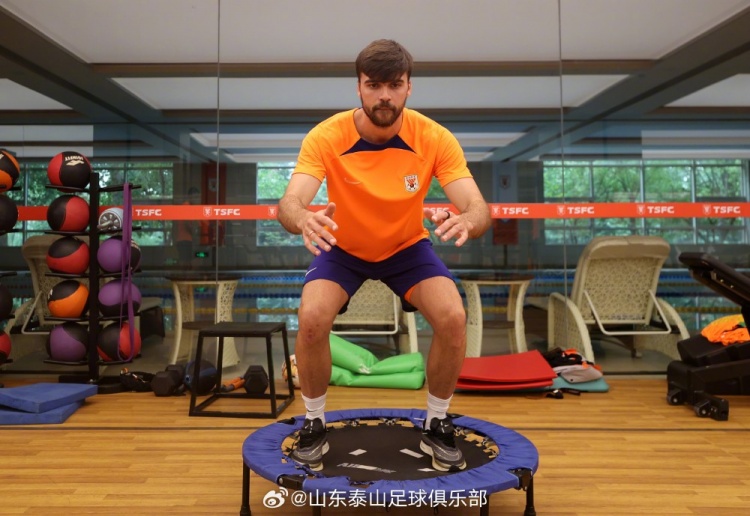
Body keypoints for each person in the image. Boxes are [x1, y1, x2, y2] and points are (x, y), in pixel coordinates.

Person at [277, 39, 491, 472]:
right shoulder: (327, 136)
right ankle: (314, 422)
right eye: (374, 85)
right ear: (359, 87)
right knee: (312, 318)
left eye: (394, 85)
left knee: (453, 317)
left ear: (409, 87)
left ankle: (436, 421)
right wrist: (303, 219)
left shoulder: (433, 137)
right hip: (344, 248)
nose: (384, 96)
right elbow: (289, 203)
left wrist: (469, 221)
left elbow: (478, 206)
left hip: (406, 247)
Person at [174, 187, 200, 267]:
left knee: (186, 262)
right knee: (186, 263)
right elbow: (187, 223)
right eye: (195, 197)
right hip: (185, 240)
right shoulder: (187, 206)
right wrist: (194, 233)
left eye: (197, 197)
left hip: (184, 239)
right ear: (190, 197)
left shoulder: (188, 206)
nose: (196, 199)